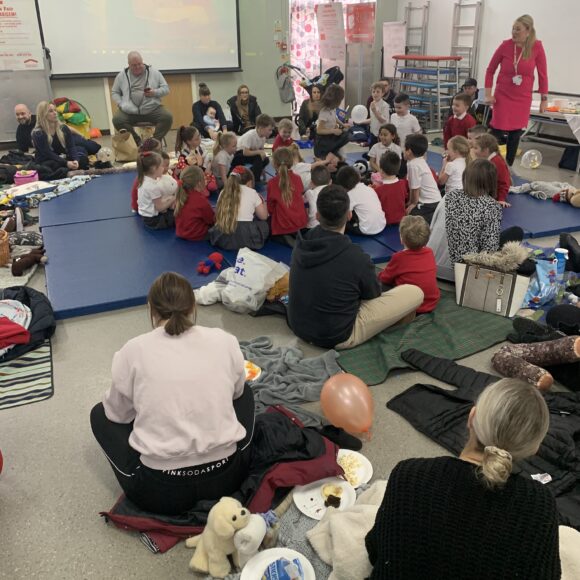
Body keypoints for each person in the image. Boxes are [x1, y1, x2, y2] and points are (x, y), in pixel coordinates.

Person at [90, 272, 254, 516]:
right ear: (193, 306)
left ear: (151, 310)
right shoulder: (224, 340)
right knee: (245, 392)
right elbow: (237, 391)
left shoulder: (132, 350)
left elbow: (118, 415)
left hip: (159, 494)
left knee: (99, 414)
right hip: (226, 481)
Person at [366, 378, 560, 579]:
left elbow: (375, 551)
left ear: (471, 416)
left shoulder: (409, 474)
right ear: (534, 448)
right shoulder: (541, 506)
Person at [288, 185, 424, 349]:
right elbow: (372, 295)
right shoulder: (356, 257)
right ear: (349, 215)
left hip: (298, 326)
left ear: (317, 216)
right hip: (336, 336)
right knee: (415, 292)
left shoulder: (302, 243)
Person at [485, 14, 548, 167]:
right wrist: (488, 93)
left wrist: (543, 100)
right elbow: (490, 70)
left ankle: (508, 167)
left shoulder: (537, 47)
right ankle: (487, 163)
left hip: (522, 97)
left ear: (528, 31)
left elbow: (542, 74)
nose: (514, 32)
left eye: (518, 29)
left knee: (515, 134)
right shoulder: (505, 46)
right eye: (513, 28)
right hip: (503, 95)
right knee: (497, 131)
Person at [378, 216, 440, 314]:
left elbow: (385, 278)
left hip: (411, 306)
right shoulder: (429, 252)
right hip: (430, 303)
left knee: (379, 285)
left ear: (402, 239)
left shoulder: (399, 257)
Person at [111, 51, 172, 145]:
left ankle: (154, 142)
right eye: (134, 65)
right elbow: (115, 92)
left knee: (167, 117)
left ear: (142, 61)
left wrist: (154, 93)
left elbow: (166, 89)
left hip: (151, 108)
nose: (137, 67)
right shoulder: (121, 76)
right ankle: (137, 141)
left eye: (139, 64)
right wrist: (121, 103)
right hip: (129, 111)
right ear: (129, 65)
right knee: (117, 120)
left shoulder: (154, 73)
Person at [210, 165, 269, 250]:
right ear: (249, 182)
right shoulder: (252, 192)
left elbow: (218, 215)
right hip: (246, 237)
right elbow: (264, 216)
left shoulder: (223, 192)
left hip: (224, 236)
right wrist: (263, 202)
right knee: (264, 225)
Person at [267, 147, 307, 245]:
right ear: (292, 162)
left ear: (274, 163)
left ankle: (287, 236)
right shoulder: (297, 178)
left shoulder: (272, 183)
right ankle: (294, 235)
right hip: (301, 222)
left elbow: (270, 208)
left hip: (284, 225)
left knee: (266, 223)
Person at [31, 101, 88, 170]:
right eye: (51, 111)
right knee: (52, 166)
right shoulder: (38, 133)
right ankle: (68, 170)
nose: (55, 113)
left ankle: (70, 169)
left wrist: (76, 160)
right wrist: (66, 163)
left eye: (55, 110)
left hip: (62, 157)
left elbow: (71, 146)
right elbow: (48, 153)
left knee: (83, 159)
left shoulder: (63, 128)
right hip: (48, 160)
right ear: (43, 114)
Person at [335, 166, 386, 236]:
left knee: (343, 219)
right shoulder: (368, 188)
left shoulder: (350, 194)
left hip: (366, 230)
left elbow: (345, 215)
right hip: (382, 224)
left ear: (343, 186)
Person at [404, 134, 441, 224]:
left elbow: (415, 189)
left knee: (409, 215)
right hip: (436, 201)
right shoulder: (420, 160)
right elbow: (414, 187)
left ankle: (432, 218)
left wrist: (413, 204)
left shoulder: (413, 165)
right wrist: (410, 202)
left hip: (430, 204)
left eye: (404, 149)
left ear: (409, 151)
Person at [174, 166, 215, 241]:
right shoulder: (200, 200)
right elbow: (211, 220)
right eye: (204, 178)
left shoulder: (180, 194)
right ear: (199, 183)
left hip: (181, 232)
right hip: (196, 235)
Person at [231, 113, 274, 184]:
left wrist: (262, 171)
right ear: (260, 128)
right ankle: (255, 180)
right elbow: (245, 152)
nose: (271, 132)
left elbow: (265, 154)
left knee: (266, 159)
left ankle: (250, 174)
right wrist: (259, 152)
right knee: (258, 156)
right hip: (238, 154)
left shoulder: (263, 137)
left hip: (249, 153)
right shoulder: (250, 135)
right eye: (269, 130)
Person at [136, 151, 175, 230]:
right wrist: (174, 198)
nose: (163, 168)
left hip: (146, 217)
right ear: (154, 169)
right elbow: (160, 208)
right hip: (154, 220)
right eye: (161, 166)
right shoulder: (153, 187)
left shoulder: (144, 179)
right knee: (181, 214)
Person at [473, 133, 511, 206]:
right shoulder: (488, 159)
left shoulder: (496, 162)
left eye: (476, 148)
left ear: (486, 150)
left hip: (494, 196)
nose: (473, 151)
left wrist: (501, 199)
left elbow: (504, 182)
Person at [314, 84, 350, 160]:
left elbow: (335, 118)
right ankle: (324, 156)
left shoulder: (332, 108)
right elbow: (319, 130)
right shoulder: (324, 112)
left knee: (347, 135)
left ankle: (334, 152)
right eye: (340, 100)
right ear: (335, 100)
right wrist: (333, 131)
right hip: (324, 139)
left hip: (331, 136)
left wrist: (343, 124)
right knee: (329, 160)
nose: (340, 102)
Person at [374, 152, 408, 225]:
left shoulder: (378, 190)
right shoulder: (403, 183)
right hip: (401, 220)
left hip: (386, 222)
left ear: (381, 171)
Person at [131, 138, 162, 212]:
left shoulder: (145, 173)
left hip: (141, 207)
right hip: (143, 209)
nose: (161, 152)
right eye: (158, 150)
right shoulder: (147, 179)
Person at [362, 82, 390, 146]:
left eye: (378, 92)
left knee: (380, 152)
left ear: (382, 93)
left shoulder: (385, 105)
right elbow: (372, 119)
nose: (375, 94)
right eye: (373, 92)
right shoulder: (372, 104)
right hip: (372, 132)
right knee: (372, 152)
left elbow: (383, 120)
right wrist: (361, 121)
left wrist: (374, 111)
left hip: (382, 134)